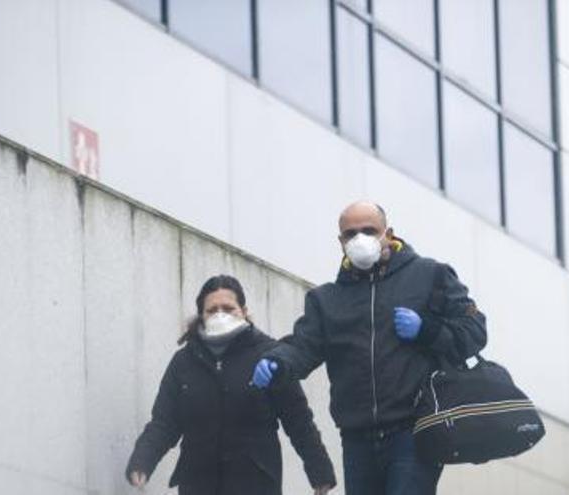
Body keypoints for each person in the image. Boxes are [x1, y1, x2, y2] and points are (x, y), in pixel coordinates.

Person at [252, 201, 488, 495]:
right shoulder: (327, 300)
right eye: (350, 234)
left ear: (388, 234)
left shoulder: (430, 276)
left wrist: (427, 329)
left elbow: (475, 331)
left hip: (412, 432)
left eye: (369, 230)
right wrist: (278, 361)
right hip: (356, 440)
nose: (360, 239)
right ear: (340, 242)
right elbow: (304, 346)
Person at [125, 275, 337, 495]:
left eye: (228, 308)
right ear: (201, 316)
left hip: (255, 482)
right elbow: (164, 422)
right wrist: (142, 461)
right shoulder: (184, 362)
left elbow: (298, 420)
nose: (220, 315)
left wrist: (319, 472)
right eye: (212, 309)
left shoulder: (270, 357)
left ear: (243, 312)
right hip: (198, 483)